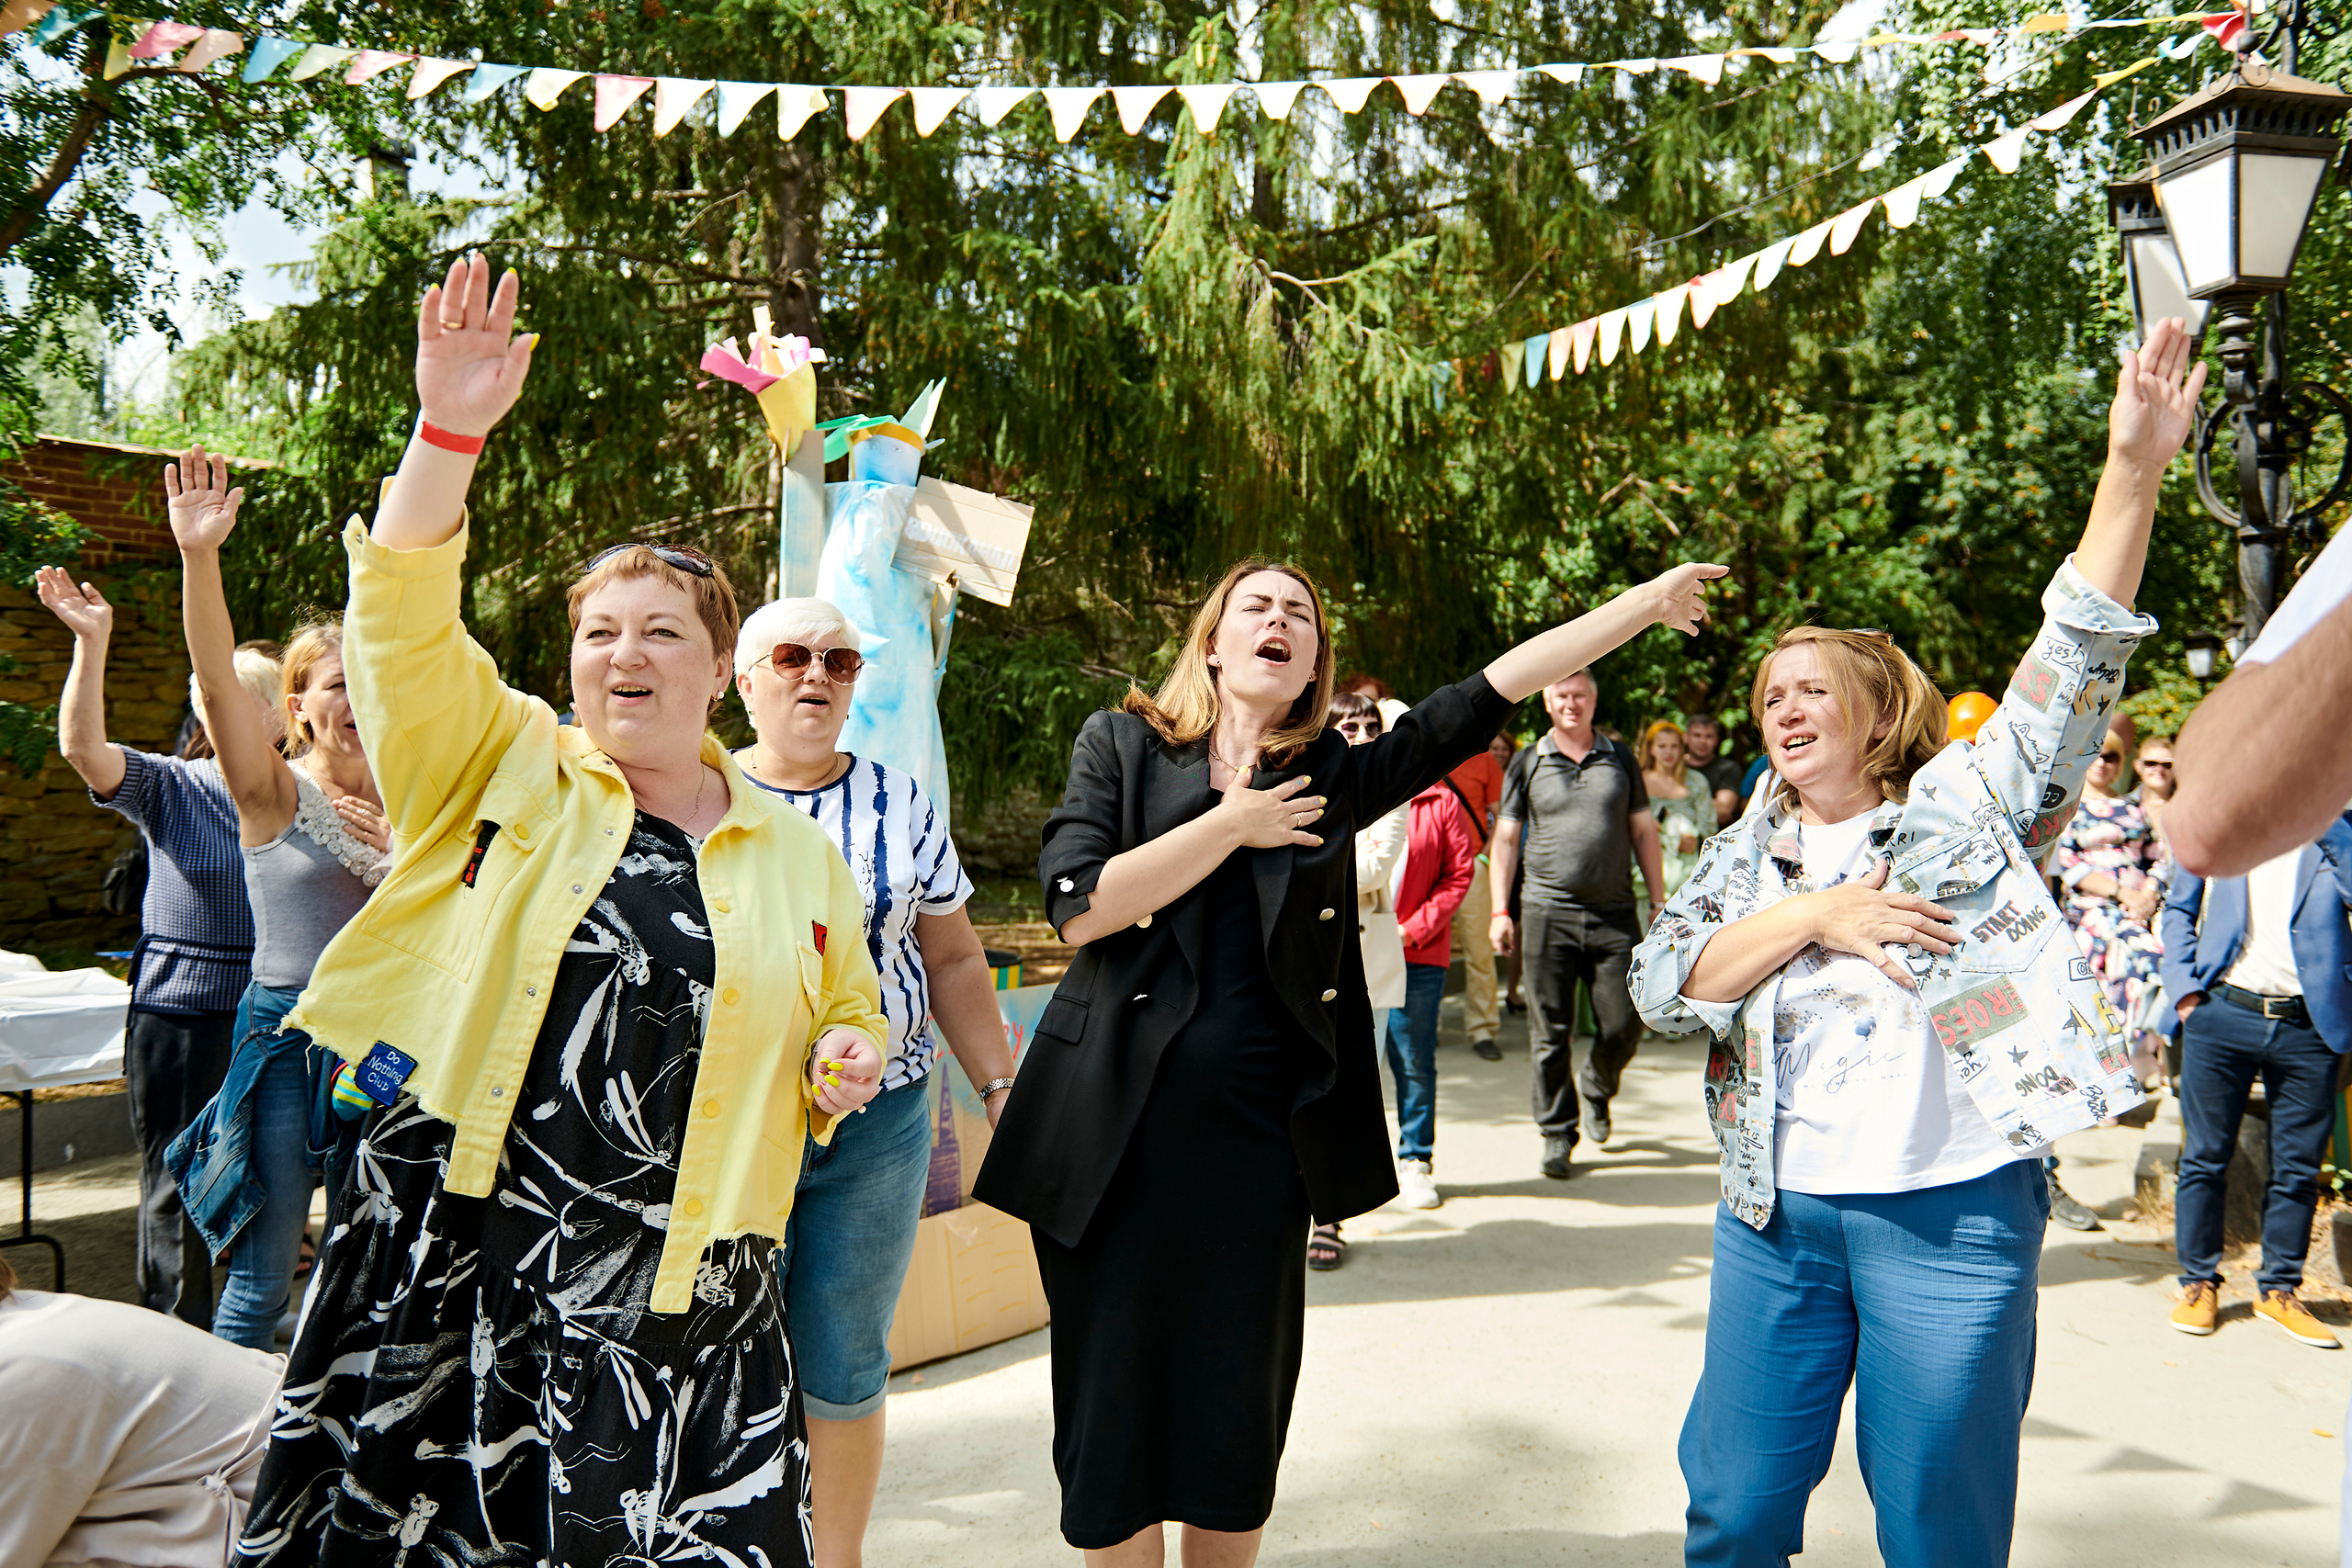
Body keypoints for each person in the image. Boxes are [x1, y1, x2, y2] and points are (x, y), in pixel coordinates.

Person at [226, 255, 888, 1566]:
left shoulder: (796, 852)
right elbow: (401, 622)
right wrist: (447, 431)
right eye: (597, 631)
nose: (622, 654)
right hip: (482, 1261)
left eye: (658, 631)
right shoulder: (507, 763)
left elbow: (846, 1006)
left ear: (719, 666)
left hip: (700, 1290)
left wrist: (848, 1055)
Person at [974, 550, 1723, 1563]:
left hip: (1257, 1157)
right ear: (1213, 639)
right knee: (1113, 1430)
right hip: (1112, 1149)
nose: (1281, 620)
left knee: (1232, 1434)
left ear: (1314, 661)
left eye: (1302, 615)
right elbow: (1080, 906)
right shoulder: (1122, 745)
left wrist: (1637, 606)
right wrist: (1233, 824)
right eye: (1258, 606)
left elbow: (1488, 691)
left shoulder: (1327, 777)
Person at [1629, 316, 2204, 1567]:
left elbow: (2074, 660)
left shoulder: (1963, 805)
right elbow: (1666, 984)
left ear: (1874, 706)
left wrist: (2134, 468)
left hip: (1953, 1216)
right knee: (1731, 1515)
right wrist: (1815, 914)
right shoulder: (1741, 851)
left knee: (1940, 1529)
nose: (1781, 706)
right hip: (1771, 1213)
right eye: (1767, 694)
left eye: (1807, 685)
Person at [729, 594, 1020, 1568]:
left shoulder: (900, 801)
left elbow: (952, 962)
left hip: (881, 1127)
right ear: (743, 681)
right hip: (731, 1128)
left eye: (840, 662)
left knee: (845, 1359)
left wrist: (997, 1087)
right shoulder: (697, 797)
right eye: (792, 656)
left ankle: (836, 1557)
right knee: (723, 1344)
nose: (816, 674)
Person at [154, 452, 390, 1353]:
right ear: (299, 703)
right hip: (288, 1041)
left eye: (370, 681)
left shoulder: (422, 801)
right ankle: (233, 1472)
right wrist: (200, 558)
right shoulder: (270, 792)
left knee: (366, 1258)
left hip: (388, 1048)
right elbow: (218, 688)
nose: (356, 699)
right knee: (260, 1283)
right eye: (338, 683)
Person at [36, 568, 276, 1329]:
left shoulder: (305, 794)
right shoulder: (172, 784)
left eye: (242, 696)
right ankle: (178, 1333)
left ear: (280, 715)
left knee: (264, 1177)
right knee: (181, 1180)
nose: (217, 708)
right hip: (183, 1016)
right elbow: (81, 747)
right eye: (210, 697)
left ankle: (246, 1332)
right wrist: (91, 643)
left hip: (275, 1019)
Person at [2158, 814, 2352, 1347]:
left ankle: (2279, 1291)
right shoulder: (2224, 823)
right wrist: (2184, 991)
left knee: (2298, 1167)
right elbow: (2177, 906)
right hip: (2222, 1014)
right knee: (2204, 1157)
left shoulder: (2340, 832)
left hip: (2310, 1025)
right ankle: (2199, 1282)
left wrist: (2331, 822)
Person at [0, 1252, 283, 1567]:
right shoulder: (28, 1313)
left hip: (279, 1510)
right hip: (275, 1468)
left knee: (61, 1552)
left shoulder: (20, 1370)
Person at [1488, 668, 1664, 1178]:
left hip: (1613, 914)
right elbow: (1504, 841)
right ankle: (1557, 1133)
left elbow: (1643, 832)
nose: (1572, 703)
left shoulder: (1620, 756)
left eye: (1581, 694)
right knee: (1550, 1032)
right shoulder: (1527, 761)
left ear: (1593, 699)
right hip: (1546, 912)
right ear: (1547, 701)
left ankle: (1597, 1084)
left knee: (1626, 1021)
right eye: (1562, 695)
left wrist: (1656, 901)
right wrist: (1502, 910)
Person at [1316, 691, 1407, 1269]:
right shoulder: (1300, 779)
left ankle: (1328, 1217)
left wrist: (1309, 856)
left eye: (1370, 723)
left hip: (1365, 966)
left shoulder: (1390, 794)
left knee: (1343, 1093)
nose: (1359, 730)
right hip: (1297, 963)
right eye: (1347, 723)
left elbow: (1377, 866)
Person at [2052, 714, 2169, 1079]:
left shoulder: (2133, 808)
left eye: (2111, 757)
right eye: (2094, 755)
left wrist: (2148, 893)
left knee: (2153, 971)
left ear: (2121, 763)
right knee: (2106, 988)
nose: (2102, 763)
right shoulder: (2065, 809)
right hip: (2092, 912)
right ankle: (2113, 1073)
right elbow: (2068, 865)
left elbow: (2159, 858)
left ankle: (2138, 1057)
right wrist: (2123, 894)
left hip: (2139, 910)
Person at [1385, 764, 1480, 1210]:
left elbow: (1459, 873)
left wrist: (1414, 928)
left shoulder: (1442, 802)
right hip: (1354, 952)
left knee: (1413, 1060)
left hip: (1416, 954)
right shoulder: (1359, 789)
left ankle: (1416, 1160)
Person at [1438, 723, 1509, 1060]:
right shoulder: (1427, 756)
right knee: (1427, 948)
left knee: (1479, 951)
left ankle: (1482, 1028)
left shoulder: (1484, 761)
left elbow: (1501, 816)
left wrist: (1484, 856)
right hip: (1431, 869)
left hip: (1472, 867)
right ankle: (1428, 1025)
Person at [1638, 719, 1713, 899]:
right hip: (1643, 875)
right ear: (1651, 749)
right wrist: (1671, 841)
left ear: (1682, 748)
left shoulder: (1696, 781)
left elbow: (1710, 828)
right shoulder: (1638, 782)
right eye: (1662, 746)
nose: (1668, 752)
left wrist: (1695, 839)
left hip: (1688, 874)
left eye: (1674, 746)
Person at [1685, 713, 1744, 829]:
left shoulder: (1728, 768)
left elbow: (1723, 810)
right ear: (1686, 737)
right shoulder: (1675, 766)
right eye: (1697, 735)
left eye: (1709, 736)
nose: (1702, 741)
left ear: (1716, 740)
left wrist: (1676, 799)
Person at [2135, 732, 2177, 852]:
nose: (2159, 769)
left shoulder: (2187, 810)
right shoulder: (2121, 806)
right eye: (2150, 763)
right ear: (2138, 766)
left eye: (2167, 765)